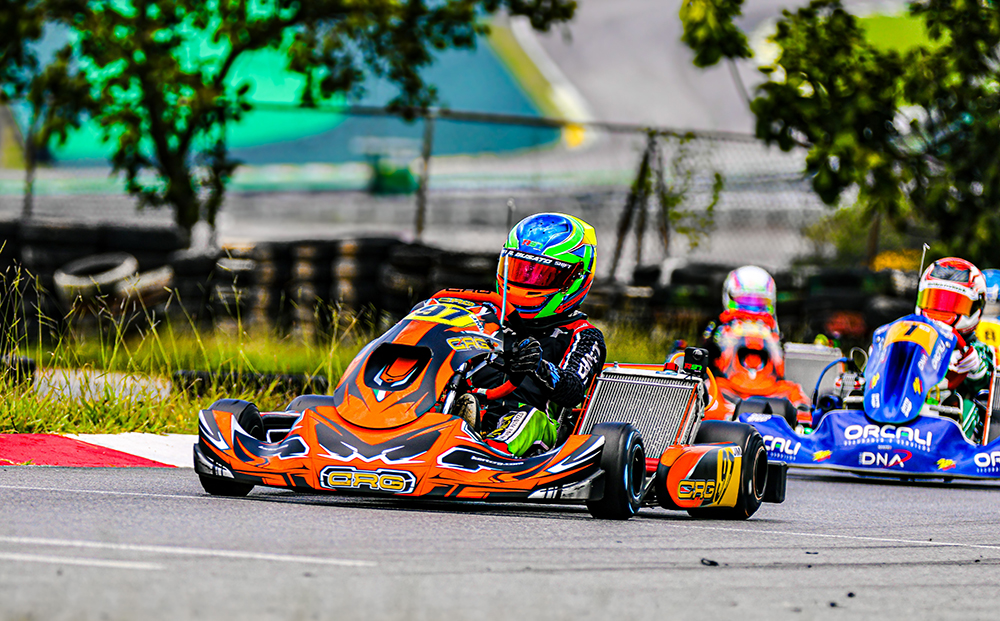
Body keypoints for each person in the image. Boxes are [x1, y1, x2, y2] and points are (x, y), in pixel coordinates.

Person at [455, 213, 606, 457]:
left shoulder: (582, 335)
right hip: (469, 405)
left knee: (526, 418)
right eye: (519, 271)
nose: (526, 282)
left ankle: (487, 453)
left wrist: (538, 366)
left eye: (540, 275)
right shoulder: (480, 315)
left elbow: (574, 390)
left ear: (573, 279)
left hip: (534, 424)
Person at [915, 257, 996, 441]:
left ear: (975, 307)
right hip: (903, 399)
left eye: (952, 303)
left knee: (967, 406)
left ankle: (955, 450)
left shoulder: (976, 348)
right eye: (933, 299)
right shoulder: (907, 332)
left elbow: (986, 381)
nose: (939, 310)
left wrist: (974, 365)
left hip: (943, 412)